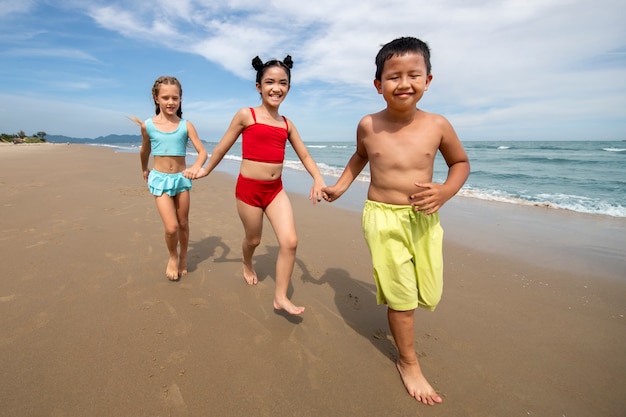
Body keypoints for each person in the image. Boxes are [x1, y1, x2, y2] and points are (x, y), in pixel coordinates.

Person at [322, 37, 470, 405]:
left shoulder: (438, 125)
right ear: (378, 85)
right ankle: (408, 361)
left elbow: (460, 164)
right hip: (383, 219)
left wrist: (445, 192)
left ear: (428, 81)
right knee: (402, 297)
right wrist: (341, 186)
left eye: (413, 75)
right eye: (394, 76)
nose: (404, 83)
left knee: (428, 291)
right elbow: (361, 156)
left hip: (423, 218)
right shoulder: (369, 124)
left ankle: (405, 329)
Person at [185, 55, 326, 316]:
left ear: (289, 88)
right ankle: (247, 262)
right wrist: (204, 170)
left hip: (275, 191)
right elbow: (223, 146)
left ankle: (280, 297)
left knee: (290, 241)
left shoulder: (286, 124)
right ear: (259, 86)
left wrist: (318, 178)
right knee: (254, 239)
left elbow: (305, 155)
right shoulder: (246, 115)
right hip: (249, 191)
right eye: (270, 82)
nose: (276, 88)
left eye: (282, 83)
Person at [134, 76, 208, 281]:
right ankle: (173, 257)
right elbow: (144, 151)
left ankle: (184, 256)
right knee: (171, 227)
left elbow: (202, 152)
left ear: (180, 99)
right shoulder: (148, 126)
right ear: (156, 99)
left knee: (183, 223)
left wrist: (195, 167)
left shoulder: (186, 125)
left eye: (175, 98)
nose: (170, 102)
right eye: (165, 97)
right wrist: (143, 170)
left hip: (181, 180)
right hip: (159, 180)